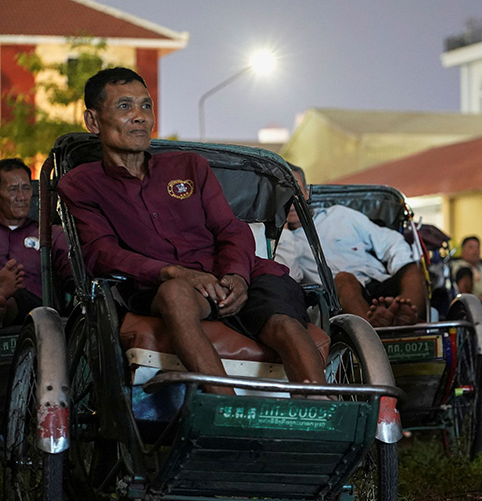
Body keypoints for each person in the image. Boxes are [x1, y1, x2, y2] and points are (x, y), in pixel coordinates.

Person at [57, 67, 325, 395]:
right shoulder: (81, 184)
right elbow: (102, 253)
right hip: (163, 286)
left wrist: (237, 275)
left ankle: (321, 409)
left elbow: (230, 228)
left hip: (237, 274)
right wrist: (173, 272)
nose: (140, 116)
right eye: (125, 106)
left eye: (146, 106)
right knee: (175, 294)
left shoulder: (188, 166)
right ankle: (225, 407)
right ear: (93, 121)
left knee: (284, 323)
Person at [275, 195, 427, 327]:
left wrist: (399, 266)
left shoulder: (339, 215)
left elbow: (389, 241)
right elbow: (290, 278)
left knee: (412, 269)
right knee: (344, 278)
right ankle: (373, 330)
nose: (291, 201)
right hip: (340, 298)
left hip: (379, 281)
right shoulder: (280, 240)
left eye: (295, 193)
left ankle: (405, 313)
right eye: (284, 195)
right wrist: (284, 232)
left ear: (307, 194)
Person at [0, 158, 72, 325]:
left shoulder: (50, 234)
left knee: (13, 299)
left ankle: (4, 299)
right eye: (12, 189)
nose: (22, 197)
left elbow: (75, 276)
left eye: (26, 188)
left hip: (39, 317)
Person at [452, 236, 482, 303]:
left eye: (477, 247)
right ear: (462, 251)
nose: (475, 251)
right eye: (471, 247)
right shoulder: (453, 268)